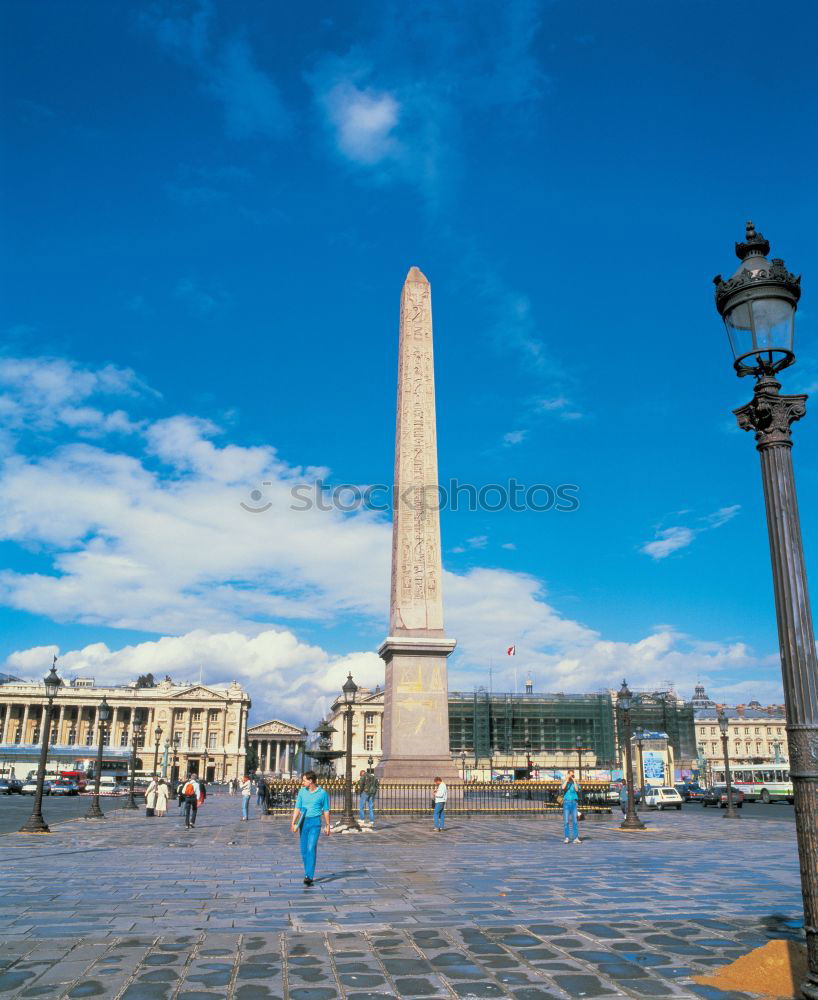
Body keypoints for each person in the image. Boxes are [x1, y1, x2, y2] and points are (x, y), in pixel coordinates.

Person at [290, 770, 331, 886]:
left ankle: (309, 875)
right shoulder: (302, 792)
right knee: (303, 851)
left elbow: (326, 810)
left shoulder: (322, 793)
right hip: (303, 822)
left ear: (311, 781)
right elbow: (297, 808)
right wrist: (293, 822)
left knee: (310, 848)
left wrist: (328, 825)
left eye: (304, 780)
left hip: (315, 823)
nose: (302, 782)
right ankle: (307, 871)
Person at [561, 769, 581, 844]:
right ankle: (567, 837)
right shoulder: (565, 781)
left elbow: (576, 789)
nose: (572, 776)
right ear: (568, 774)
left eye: (573, 774)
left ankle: (576, 838)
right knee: (566, 821)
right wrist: (567, 779)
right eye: (570, 774)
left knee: (575, 821)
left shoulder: (575, 782)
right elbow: (563, 788)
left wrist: (574, 781)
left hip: (574, 803)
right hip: (566, 803)